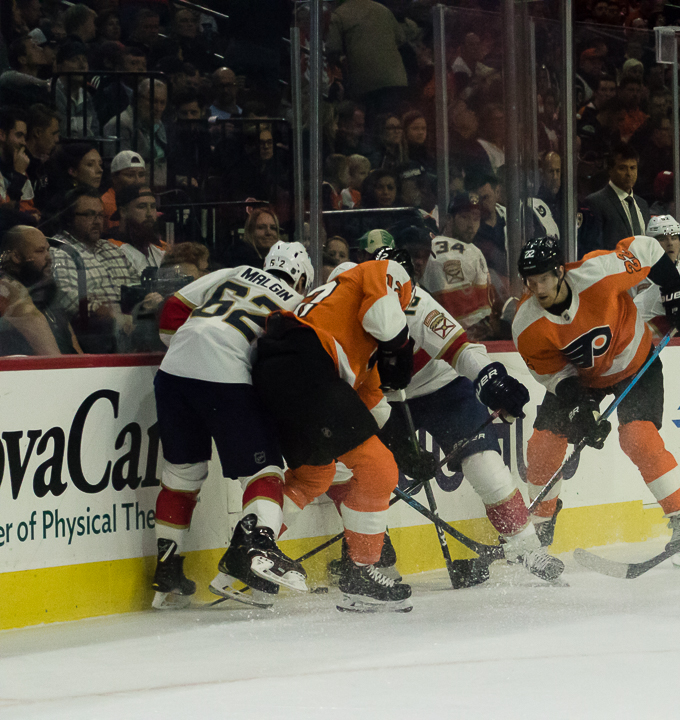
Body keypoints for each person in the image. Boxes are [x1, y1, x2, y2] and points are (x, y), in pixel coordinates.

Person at [335, 248, 564, 581]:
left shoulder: (418, 305)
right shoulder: (348, 311)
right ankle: (371, 561)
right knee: (357, 471)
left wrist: (493, 380)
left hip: (443, 389)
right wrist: (402, 446)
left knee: (485, 466)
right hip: (379, 399)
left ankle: (526, 548)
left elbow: (462, 351)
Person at [513, 234, 680, 568]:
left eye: (543, 278)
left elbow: (647, 249)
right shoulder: (526, 324)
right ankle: (540, 532)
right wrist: (581, 406)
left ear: (560, 271)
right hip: (583, 379)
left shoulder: (598, 273)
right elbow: (555, 375)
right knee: (544, 444)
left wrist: (675, 290)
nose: (538, 289)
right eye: (530, 281)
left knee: (638, 437)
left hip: (636, 363)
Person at [151, 241, 315, 609]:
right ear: (302, 279)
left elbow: (172, 311)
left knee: (182, 473)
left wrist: (192, 345)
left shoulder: (234, 272)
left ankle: (167, 571)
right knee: (264, 473)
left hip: (173, 371)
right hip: (226, 377)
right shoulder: (298, 304)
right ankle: (254, 552)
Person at [252, 253, 416, 612]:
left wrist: (405, 445)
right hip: (307, 364)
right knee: (379, 469)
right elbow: (385, 320)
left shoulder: (341, 326)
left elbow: (373, 405)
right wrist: (402, 347)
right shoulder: (380, 272)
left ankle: (249, 556)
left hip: (274, 370)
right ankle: (360, 575)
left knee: (314, 475)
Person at [50, 190, 138, 353]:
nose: (97, 221)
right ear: (69, 218)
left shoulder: (112, 249)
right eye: (89, 215)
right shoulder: (59, 251)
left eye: (100, 215)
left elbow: (136, 285)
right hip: (90, 337)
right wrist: (110, 314)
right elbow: (68, 300)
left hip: (128, 331)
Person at [423, 192, 494, 338]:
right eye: (464, 217)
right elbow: (482, 315)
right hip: (460, 337)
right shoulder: (474, 252)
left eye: (476, 218)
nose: (471, 225)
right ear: (449, 219)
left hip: (431, 332)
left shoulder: (426, 244)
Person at [327, 0, 408, 116]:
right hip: (395, 78)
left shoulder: (338, 15)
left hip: (364, 82)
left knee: (371, 120)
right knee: (392, 119)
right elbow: (401, 39)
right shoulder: (383, 9)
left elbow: (333, 49)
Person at [0, 224, 63, 356]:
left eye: (48, 250)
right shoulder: (9, 290)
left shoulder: (49, 290)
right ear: (16, 257)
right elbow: (52, 358)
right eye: (40, 251)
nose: (49, 257)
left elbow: (74, 346)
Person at [578, 142, 650, 257]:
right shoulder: (595, 203)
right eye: (622, 168)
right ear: (610, 170)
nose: (629, 174)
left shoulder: (642, 204)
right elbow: (592, 251)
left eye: (633, 168)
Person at [109, 185, 165, 274]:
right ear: (123, 212)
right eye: (142, 206)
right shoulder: (111, 249)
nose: (149, 214)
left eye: (153, 206)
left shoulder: (159, 250)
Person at [101, 151, 146, 232]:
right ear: (114, 178)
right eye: (130, 175)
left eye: (141, 175)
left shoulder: (145, 199)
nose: (137, 180)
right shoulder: (105, 204)